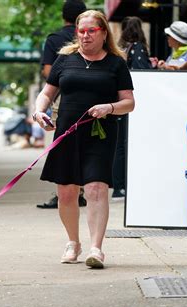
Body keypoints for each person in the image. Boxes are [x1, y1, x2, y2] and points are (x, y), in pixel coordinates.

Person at [32, 10, 135, 268]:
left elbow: (129, 103)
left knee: (95, 189)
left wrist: (109, 108)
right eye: (81, 31)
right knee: (66, 192)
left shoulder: (115, 63)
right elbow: (47, 94)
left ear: (103, 33)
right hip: (67, 132)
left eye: (91, 31)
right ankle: (72, 242)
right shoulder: (65, 60)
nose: (85, 36)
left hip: (100, 133)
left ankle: (96, 248)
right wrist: (38, 111)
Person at [36, 0, 87, 210]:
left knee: (62, 146)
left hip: (63, 100)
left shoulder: (55, 39)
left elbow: (48, 71)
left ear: (62, 17)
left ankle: (67, 190)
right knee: (85, 144)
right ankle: (82, 189)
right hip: (90, 99)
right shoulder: (89, 36)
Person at [111, 17, 151, 200]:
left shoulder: (120, 50)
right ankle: (124, 185)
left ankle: (118, 186)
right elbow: (142, 74)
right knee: (130, 144)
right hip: (132, 102)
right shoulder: (138, 48)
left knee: (119, 145)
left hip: (118, 102)